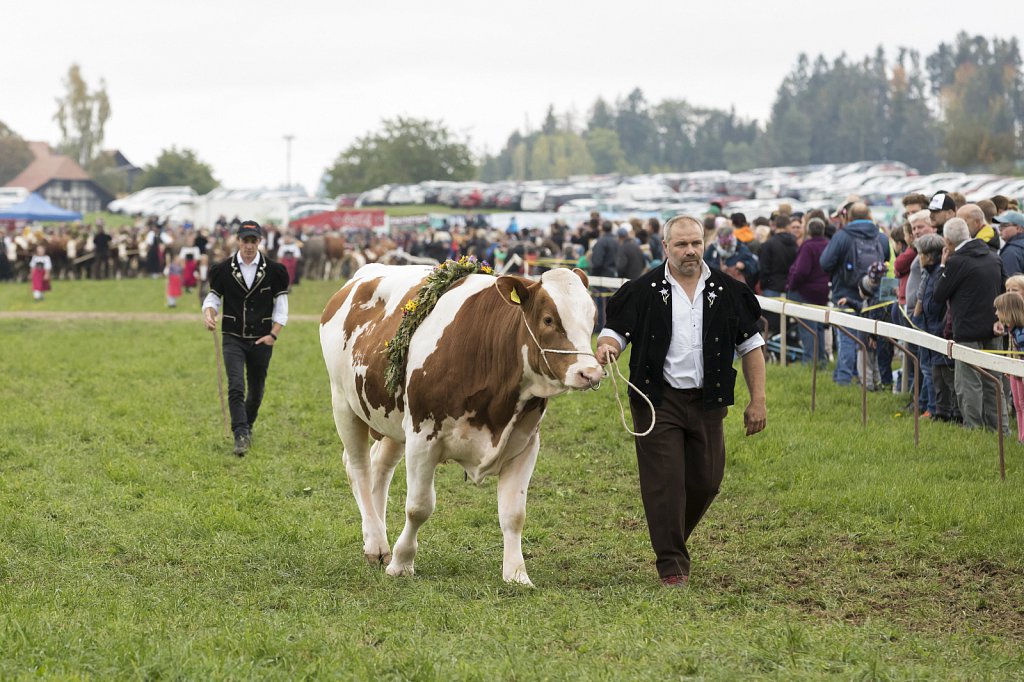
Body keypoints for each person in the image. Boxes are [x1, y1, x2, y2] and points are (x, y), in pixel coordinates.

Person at [596, 215, 766, 588]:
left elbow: (751, 346)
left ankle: (671, 537)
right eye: (681, 245)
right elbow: (614, 333)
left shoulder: (729, 291)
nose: (689, 251)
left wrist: (759, 401)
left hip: (708, 400)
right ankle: (672, 564)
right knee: (665, 483)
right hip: (656, 400)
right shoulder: (642, 290)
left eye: (696, 244)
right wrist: (608, 347)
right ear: (665, 248)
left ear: (705, 244)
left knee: (707, 481)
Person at [202, 221, 290, 456]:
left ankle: (247, 425)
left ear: (259, 242)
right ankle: (240, 434)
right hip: (232, 336)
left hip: (262, 338)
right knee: (236, 387)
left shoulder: (275, 271)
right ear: (238, 241)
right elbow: (213, 298)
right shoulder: (222, 270)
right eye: (245, 240)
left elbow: (282, 308)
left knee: (257, 390)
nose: (249, 245)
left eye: (253, 240)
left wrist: (273, 335)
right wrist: (208, 314)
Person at [931, 218, 1008, 432]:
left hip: (966, 330)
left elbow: (938, 295)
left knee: (969, 383)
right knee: (994, 382)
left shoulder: (957, 261)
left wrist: (943, 266)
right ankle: (1000, 429)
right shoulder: (993, 257)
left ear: (947, 241)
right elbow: (1004, 287)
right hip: (994, 327)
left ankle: (974, 429)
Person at [819, 202, 890, 386]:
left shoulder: (842, 236)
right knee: (872, 339)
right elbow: (887, 259)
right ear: (869, 216)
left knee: (847, 338)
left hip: (844, 292)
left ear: (847, 217)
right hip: (874, 298)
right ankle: (876, 379)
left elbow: (825, 262)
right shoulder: (880, 237)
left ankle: (844, 379)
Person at [786, 217, 830, 366]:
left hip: (806, 292)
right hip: (823, 292)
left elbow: (801, 271)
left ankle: (810, 362)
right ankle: (822, 362)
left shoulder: (808, 246)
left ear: (808, 231)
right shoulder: (828, 244)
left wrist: (790, 285)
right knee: (819, 328)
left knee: (807, 328)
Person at [994, 292, 1024, 443]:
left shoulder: (1021, 333)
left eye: (998, 309)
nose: (996, 313)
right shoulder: (1013, 330)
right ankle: (1021, 437)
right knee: (1018, 404)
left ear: (1008, 311)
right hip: (1015, 370)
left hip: (1021, 370)